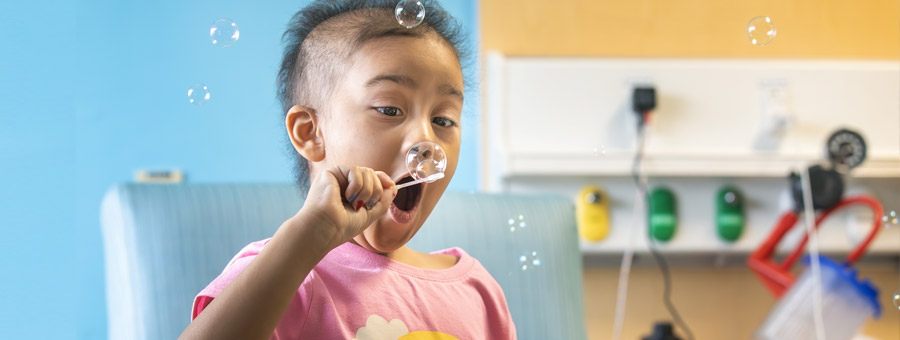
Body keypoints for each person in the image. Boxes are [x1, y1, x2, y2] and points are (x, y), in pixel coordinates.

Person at [179, 1, 516, 339]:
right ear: (310, 132)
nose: (426, 143)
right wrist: (309, 235)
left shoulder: (478, 291)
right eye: (389, 109)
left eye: (443, 120)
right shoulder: (283, 273)